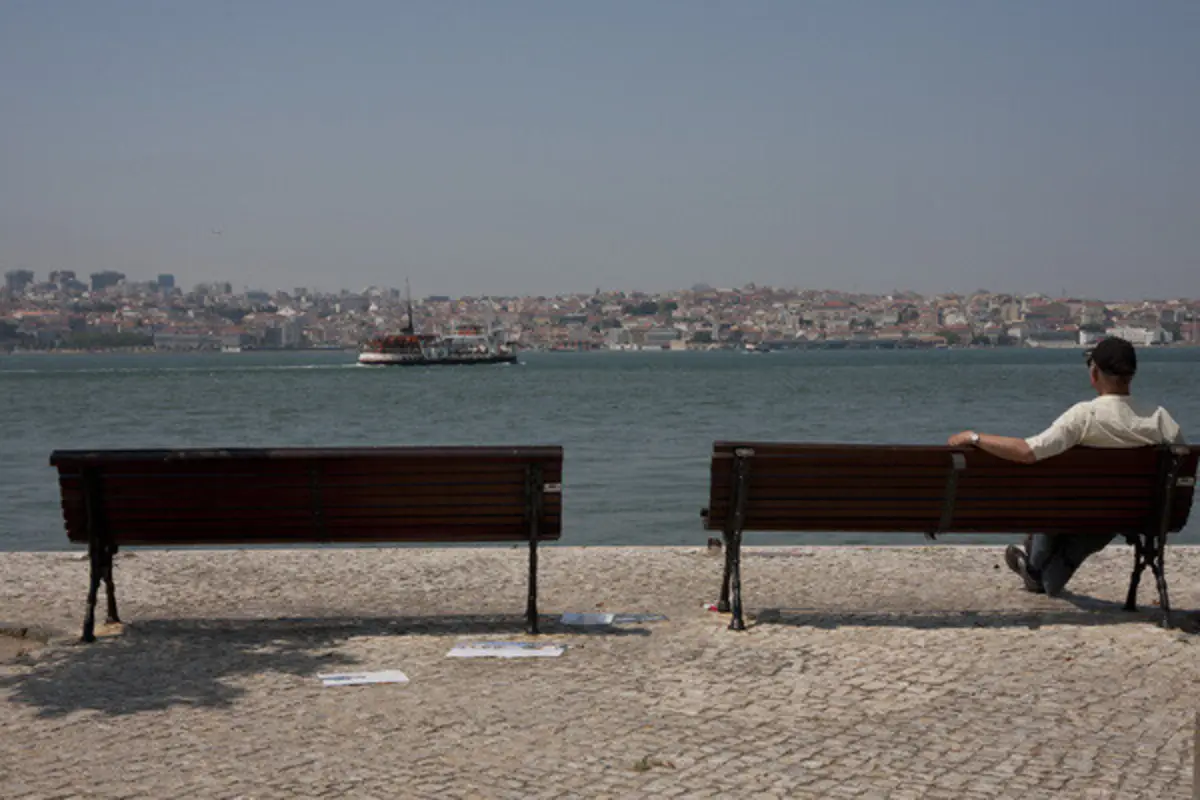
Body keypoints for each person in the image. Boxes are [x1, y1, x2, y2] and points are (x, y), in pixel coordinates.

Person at [947, 337, 1184, 596]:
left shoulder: (1085, 416)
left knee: (1055, 505)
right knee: (1087, 518)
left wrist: (974, 438)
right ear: (1132, 375)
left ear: (1094, 373)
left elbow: (1027, 452)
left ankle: (1035, 568)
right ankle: (1042, 569)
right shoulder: (1160, 418)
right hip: (1131, 516)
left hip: (1073, 512)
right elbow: (1182, 464)